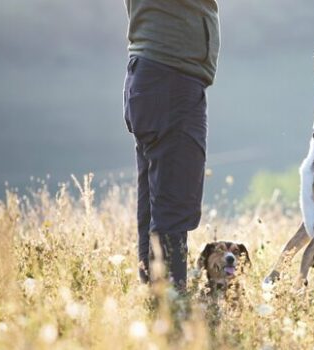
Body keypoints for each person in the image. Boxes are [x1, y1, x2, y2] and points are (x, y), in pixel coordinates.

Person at [123, 0, 220, 291]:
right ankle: (171, 307)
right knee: (173, 205)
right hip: (171, 79)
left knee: (157, 203)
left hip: (155, 74)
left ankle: (157, 299)